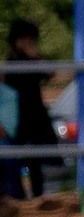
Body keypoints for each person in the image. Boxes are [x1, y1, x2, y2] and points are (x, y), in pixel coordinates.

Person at [2, 21, 61, 199]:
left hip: (35, 115)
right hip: (16, 116)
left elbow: (51, 74)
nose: (28, 43)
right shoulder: (10, 62)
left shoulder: (34, 60)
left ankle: (38, 195)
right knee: (16, 157)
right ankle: (19, 196)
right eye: (24, 39)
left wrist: (35, 56)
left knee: (36, 158)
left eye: (31, 39)